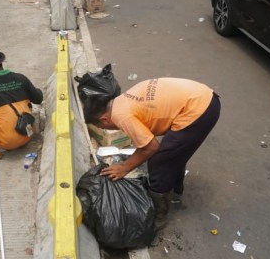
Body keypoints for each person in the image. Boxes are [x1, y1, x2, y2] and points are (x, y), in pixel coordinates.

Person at [83, 77, 221, 228]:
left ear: (104, 119)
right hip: (204, 97)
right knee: (174, 151)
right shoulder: (120, 101)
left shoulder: (121, 116)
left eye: (102, 127)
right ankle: (177, 187)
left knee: (159, 161)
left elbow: (151, 147)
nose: (107, 130)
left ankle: (158, 216)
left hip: (198, 110)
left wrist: (124, 167)